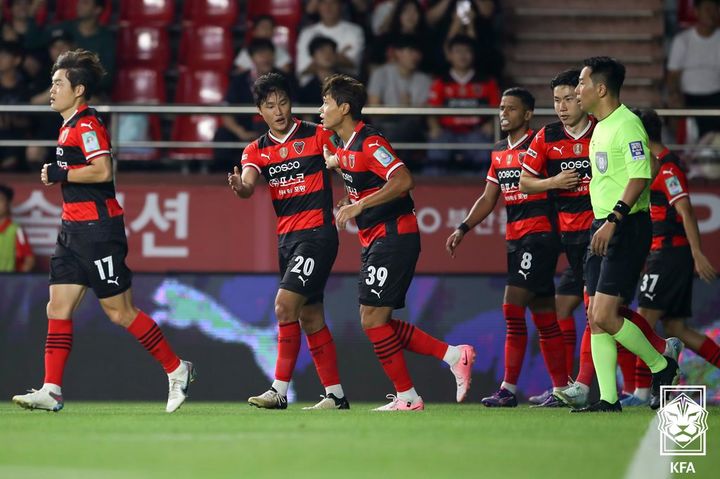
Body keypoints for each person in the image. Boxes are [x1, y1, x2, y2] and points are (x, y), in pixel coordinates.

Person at [11, 49, 194, 413]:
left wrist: (61, 173)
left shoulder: (87, 125)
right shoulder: (66, 126)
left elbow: (102, 170)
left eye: (58, 83)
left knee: (119, 312)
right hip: (72, 231)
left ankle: (177, 369)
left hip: (98, 231)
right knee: (57, 307)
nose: (51, 90)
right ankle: (52, 389)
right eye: (51, 83)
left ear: (78, 90)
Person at [320, 74, 475, 410]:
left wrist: (360, 205)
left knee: (372, 320)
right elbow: (353, 173)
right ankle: (452, 356)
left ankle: (408, 396)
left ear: (344, 108)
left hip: (394, 235)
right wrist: (349, 197)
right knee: (377, 320)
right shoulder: (344, 146)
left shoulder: (370, 142)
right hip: (374, 237)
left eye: (326, 103)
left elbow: (404, 179)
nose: (321, 110)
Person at [228, 72, 349, 410]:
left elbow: (345, 165)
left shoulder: (317, 134)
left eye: (282, 102)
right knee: (310, 317)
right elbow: (249, 184)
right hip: (287, 239)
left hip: (318, 234)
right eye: (270, 105)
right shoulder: (256, 149)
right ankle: (336, 395)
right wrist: (240, 187)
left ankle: (279, 390)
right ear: (260, 111)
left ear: (290, 102)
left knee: (284, 305)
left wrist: (352, 197)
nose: (278, 110)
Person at [564, 56, 679, 412]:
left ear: (600, 88)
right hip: (603, 225)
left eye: (581, 83)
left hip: (625, 224)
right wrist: (603, 222)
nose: (576, 90)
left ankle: (662, 361)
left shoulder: (627, 124)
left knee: (606, 314)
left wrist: (615, 217)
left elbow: (641, 174)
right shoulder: (601, 125)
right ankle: (609, 399)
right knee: (596, 317)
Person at [446, 87, 569, 407]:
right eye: (501, 108)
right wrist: (463, 227)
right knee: (544, 317)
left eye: (511, 109)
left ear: (527, 114)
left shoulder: (539, 144)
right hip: (516, 238)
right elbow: (489, 197)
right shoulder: (499, 151)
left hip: (541, 234)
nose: (503, 114)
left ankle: (508, 389)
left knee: (512, 306)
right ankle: (561, 390)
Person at [620, 108, 719, 406]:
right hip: (665, 254)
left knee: (643, 321)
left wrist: (697, 253)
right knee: (676, 329)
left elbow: (686, 210)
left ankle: (639, 392)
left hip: (667, 255)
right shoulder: (655, 165)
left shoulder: (667, 169)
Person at [518, 69, 594, 405]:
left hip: (600, 231)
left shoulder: (603, 130)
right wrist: (554, 182)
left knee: (599, 312)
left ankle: (586, 385)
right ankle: (565, 386)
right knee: (567, 309)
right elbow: (524, 182)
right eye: (556, 100)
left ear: (582, 97)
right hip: (567, 234)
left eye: (568, 99)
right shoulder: (547, 136)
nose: (562, 106)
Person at [426, 35, 499, 174]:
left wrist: (490, 125)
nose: (462, 56)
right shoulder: (440, 82)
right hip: (447, 132)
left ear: (473, 55)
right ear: (450, 55)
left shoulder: (487, 82)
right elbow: (431, 110)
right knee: (436, 155)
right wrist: (434, 127)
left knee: (483, 157)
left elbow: (498, 110)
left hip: (476, 133)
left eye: (467, 51)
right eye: (458, 51)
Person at [666, 0, 720, 138]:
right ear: (696, 12)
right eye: (708, 9)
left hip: (716, 96)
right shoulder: (682, 40)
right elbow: (673, 75)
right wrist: (674, 94)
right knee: (673, 104)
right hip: (688, 97)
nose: (712, 14)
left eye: (715, 9)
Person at [367, 34, 432, 143]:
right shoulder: (380, 73)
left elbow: (420, 115)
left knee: (410, 124)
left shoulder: (424, 80)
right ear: (398, 53)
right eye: (411, 51)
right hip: (383, 125)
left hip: (412, 127)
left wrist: (406, 109)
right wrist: (403, 109)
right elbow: (374, 108)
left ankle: (388, 153)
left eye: (417, 53)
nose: (415, 56)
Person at [295, 0, 365, 84]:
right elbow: (303, 71)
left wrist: (319, 61)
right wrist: (338, 57)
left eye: (333, 3)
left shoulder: (355, 31)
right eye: (323, 3)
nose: (328, 7)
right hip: (311, 89)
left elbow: (352, 66)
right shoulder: (306, 33)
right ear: (318, 6)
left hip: (345, 88)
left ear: (341, 6)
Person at [0, 40, 31, 171]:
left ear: (17, 60)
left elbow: (30, 121)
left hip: (18, 139)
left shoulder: (27, 87)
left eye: (4, 56)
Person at [0, 183, 34, 272]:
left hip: (7, 283)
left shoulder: (16, 230)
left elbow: (29, 260)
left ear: (8, 203)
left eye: (1, 200)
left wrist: (16, 282)